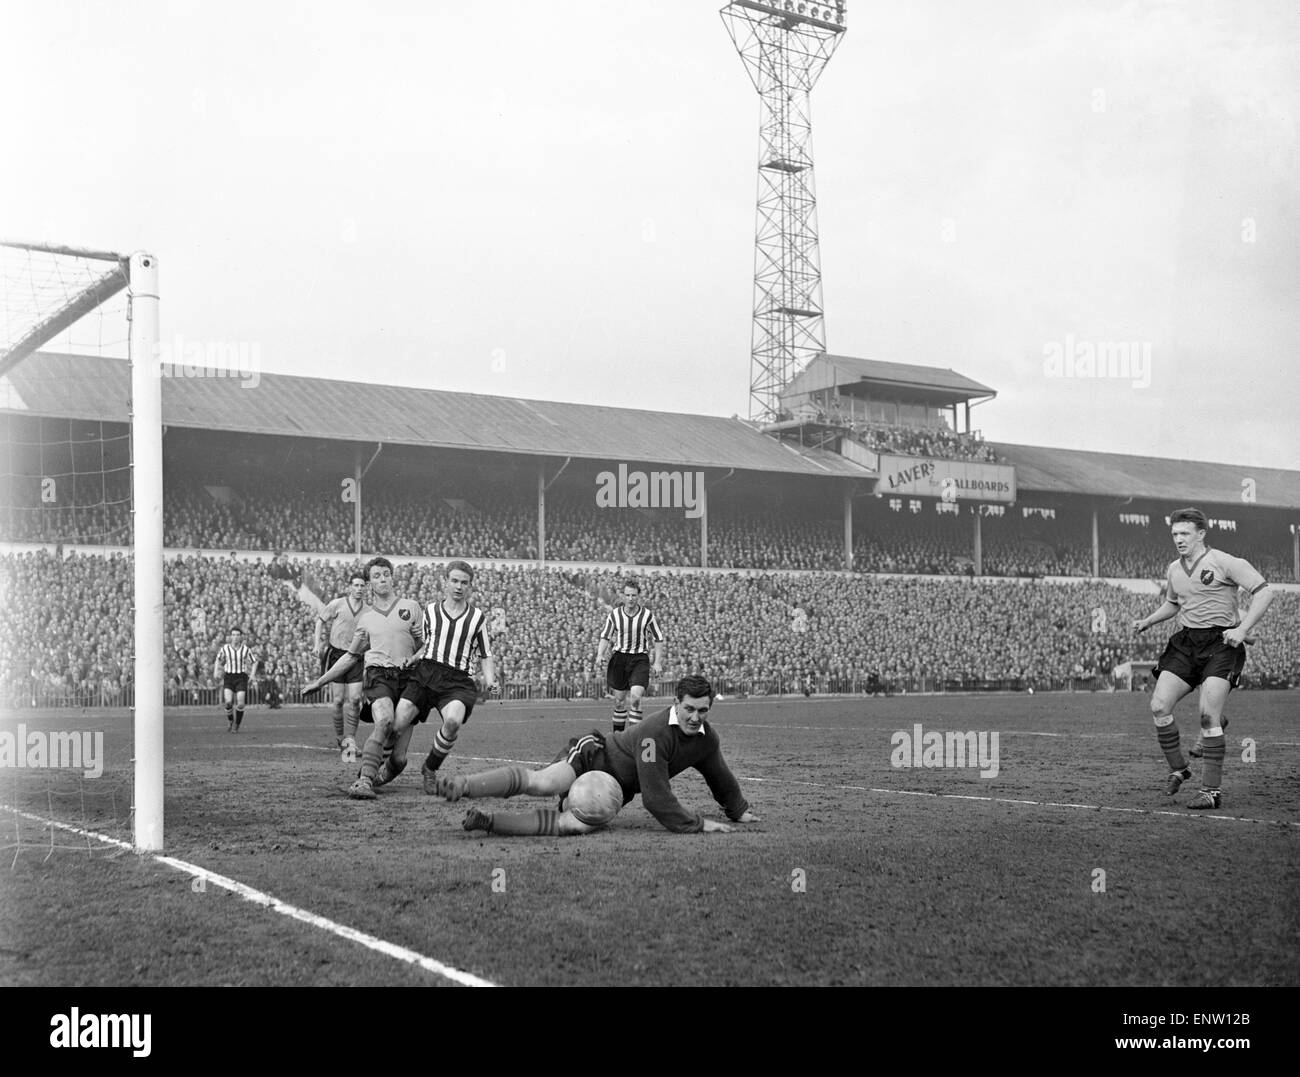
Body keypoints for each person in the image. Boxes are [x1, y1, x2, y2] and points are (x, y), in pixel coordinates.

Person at [434, 674, 760, 836]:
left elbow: (720, 775)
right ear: (676, 703)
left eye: (702, 710)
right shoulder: (656, 733)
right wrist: (700, 824)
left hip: (612, 791)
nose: (694, 717)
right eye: (688, 708)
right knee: (544, 783)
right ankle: (465, 785)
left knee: (575, 825)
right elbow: (657, 800)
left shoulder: (706, 738)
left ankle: (490, 822)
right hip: (594, 756)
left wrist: (738, 809)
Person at [1133, 508, 1273, 810]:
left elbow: (1264, 592)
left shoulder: (1225, 562)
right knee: (1158, 705)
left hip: (1221, 643)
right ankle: (1180, 768)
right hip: (1186, 644)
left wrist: (1243, 628)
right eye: (1174, 534)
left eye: (1184, 533)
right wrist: (1148, 621)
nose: (1179, 539)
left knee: (1208, 715)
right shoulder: (1173, 569)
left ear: (1201, 534)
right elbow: (1172, 603)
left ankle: (1211, 792)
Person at [302, 556, 424, 799]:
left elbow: (425, 647)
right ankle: (364, 780)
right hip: (379, 675)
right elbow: (350, 657)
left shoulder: (411, 608)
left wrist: (418, 654)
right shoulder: (366, 619)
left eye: (386, 574)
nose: (382, 579)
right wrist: (320, 681)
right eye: (376, 576)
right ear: (369, 583)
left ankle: (374, 775)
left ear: (392, 577)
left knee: (399, 760)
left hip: (409, 679)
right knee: (385, 721)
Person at [412, 561, 499, 791]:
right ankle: (378, 769)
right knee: (397, 721)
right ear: (445, 582)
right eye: (455, 581)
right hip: (427, 675)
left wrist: (491, 682)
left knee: (452, 722)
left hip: (457, 681)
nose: (459, 586)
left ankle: (430, 768)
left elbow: (486, 654)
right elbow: (425, 644)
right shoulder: (429, 611)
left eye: (464, 582)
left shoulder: (477, 618)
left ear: (470, 586)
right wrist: (411, 658)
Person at [595, 579, 665, 732]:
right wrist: (600, 654)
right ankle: (618, 739)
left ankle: (634, 738)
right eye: (627, 595)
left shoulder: (647, 615)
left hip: (639, 659)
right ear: (623, 596)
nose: (631, 599)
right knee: (619, 702)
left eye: (633, 595)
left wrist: (657, 662)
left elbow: (658, 637)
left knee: (635, 698)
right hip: (620, 658)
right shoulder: (615, 615)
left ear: (638, 596)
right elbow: (605, 636)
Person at [315, 570, 369, 763]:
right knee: (338, 701)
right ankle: (340, 738)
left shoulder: (368, 611)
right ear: (350, 587)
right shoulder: (337, 604)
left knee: (355, 700)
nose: (359, 589)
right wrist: (316, 645)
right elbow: (320, 622)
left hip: (355, 657)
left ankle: (350, 741)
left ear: (366, 588)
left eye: (362, 585)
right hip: (336, 655)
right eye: (356, 585)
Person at [214, 627, 258, 732]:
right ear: (230, 637)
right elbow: (218, 659)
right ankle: (230, 720)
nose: (235, 637)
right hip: (229, 677)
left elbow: (255, 661)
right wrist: (216, 670)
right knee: (228, 703)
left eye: (237, 635)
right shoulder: (225, 648)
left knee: (240, 703)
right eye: (233, 635)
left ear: (241, 637)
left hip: (241, 677)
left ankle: (236, 725)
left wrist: (252, 674)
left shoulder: (245, 649)